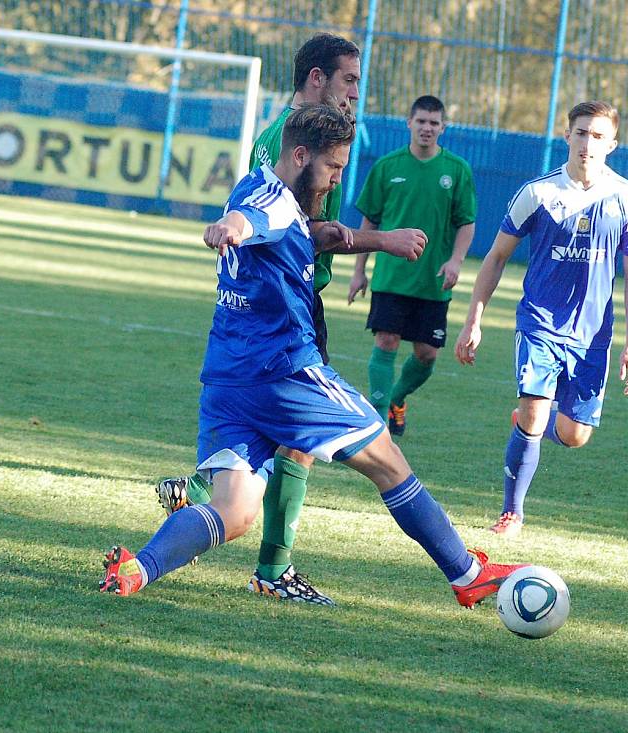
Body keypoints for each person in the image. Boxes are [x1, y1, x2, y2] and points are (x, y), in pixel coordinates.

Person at [99, 104, 526, 611]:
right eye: (332, 169)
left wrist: (364, 239)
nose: (334, 180)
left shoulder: (257, 181)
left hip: (228, 380)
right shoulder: (271, 204)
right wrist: (227, 228)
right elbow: (252, 220)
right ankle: (467, 573)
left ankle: (136, 569)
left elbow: (295, 228)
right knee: (387, 460)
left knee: (233, 512)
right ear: (300, 155)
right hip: (284, 372)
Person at [155, 34, 428, 606]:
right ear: (316, 79)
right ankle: (268, 564)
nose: (357, 90)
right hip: (278, 319)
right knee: (298, 438)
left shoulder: (323, 133)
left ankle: (212, 498)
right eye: (349, 79)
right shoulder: (286, 139)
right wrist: (381, 241)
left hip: (298, 306)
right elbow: (286, 223)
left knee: (292, 443)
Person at [454, 100, 628, 538]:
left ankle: (526, 424)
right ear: (567, 136)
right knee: (537, 416)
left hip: (593, 336)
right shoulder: (538, 193)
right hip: (540, 324)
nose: (587, 143)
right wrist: (473, 321)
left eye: (598, 136)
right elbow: (497, 257)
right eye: (581, 133)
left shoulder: (626, 198)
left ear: (612, 145)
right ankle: (512, 512)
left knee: (576, 434)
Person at [347, 95, 476, 436]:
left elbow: (466, 222)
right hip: (391, 276)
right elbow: (369, 221)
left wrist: (455, 260)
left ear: (442, 128)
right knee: (386, 341)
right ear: (409, 123)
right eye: (421, 121)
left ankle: (395, 398)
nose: (427, 128)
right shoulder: (388, 167)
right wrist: (359, 271)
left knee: (427, 354)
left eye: (434, 123)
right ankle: (376, 422)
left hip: (432, 281)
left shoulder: (456, 170)